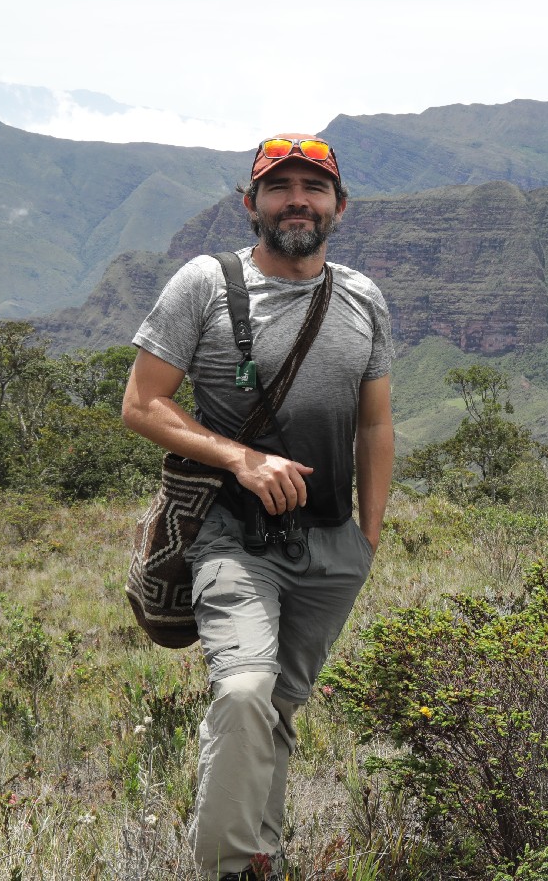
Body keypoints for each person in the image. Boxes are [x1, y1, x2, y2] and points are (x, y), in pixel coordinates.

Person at [122, 133, 394, 880]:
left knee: (277, 710)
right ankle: (230, 867)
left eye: (314, 187)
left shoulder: (362, 297)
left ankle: (260, 859)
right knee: (244, 692)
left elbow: (375, 423)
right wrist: (240, 457)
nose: (296, 200)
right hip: (231, 539)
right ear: (251, 205)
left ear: (339, 207)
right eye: (279, 187)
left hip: (331, 547)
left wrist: (365, 539)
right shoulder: (205, 286)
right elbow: (143, 404)